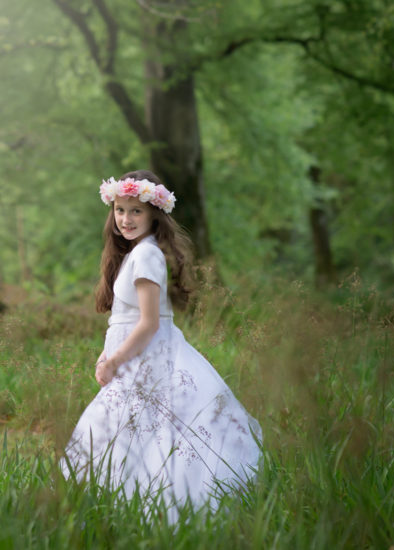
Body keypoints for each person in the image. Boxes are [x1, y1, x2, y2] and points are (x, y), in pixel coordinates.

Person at [61, 169, 262, 522]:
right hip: (135, 357)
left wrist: (115, 361)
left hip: (147, 358)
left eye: (136, 211)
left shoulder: (147, 256)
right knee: (133, 431)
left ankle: (158, 510)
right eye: (120, 210)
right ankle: (130, 509)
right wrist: (106, 353)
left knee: (143, 431)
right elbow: (125, 319)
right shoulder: (134, 254)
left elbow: (150, 323)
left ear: (154, 213)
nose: (126, 219)